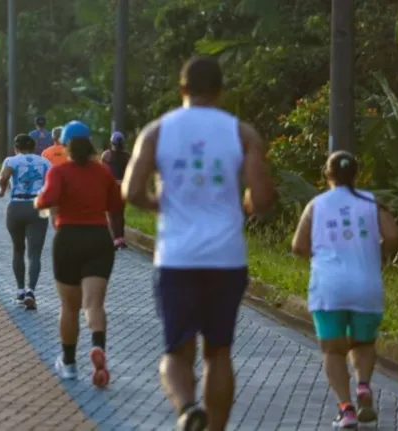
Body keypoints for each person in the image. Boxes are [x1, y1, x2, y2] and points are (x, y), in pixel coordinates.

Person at [123, 56, 276, 431]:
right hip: (226, 258)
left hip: (176, 256)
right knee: (218, 351)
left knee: (176, 352)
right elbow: (263, 197)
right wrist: (247, 204)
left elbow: (131, 191)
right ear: (221, 91)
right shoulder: (243, 133)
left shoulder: (157, 131)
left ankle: (188, 407)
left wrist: (159, 204)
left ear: (182, 89)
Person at [291, 151, 398, 429]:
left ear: (327, 175)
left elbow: (298, 246)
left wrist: (321, 258)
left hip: (329, 287)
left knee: (333, 350)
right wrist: (376, 254)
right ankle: (363, 385)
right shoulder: (372, 202)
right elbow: (393, 237)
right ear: (356, 174)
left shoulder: (316, 205)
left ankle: (346, 408)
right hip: (366, 285)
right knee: (363, 343)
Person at [34, 120, 119, 388]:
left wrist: (38, 200)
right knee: (94, 304)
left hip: (68, 239)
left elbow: (46, 201)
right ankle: (98, 346)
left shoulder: (59, 173)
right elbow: (115, 204)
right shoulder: (103, 172)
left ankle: (69, 364)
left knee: (69, 307)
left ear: (66, 144)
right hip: (98, 239)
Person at [0, 134, 51, 310]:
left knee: (18, 249)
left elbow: (3, 177)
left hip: (16, 207)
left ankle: (20, 290)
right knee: (35, 253)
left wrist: (2, 189)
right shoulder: (44, 162)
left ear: (16, 148)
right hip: (38, 207)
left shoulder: (11, 161)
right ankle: (31, 291)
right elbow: (52, 184)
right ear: (34, 147)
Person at [101, 132, 131, 249]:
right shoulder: (127, 156)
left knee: (111, 213)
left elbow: (103, 171)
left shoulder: (106, 155)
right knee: (120, 212)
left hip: (111, 186)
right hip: (123, 186)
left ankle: (115, 239)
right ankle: (121, 238)